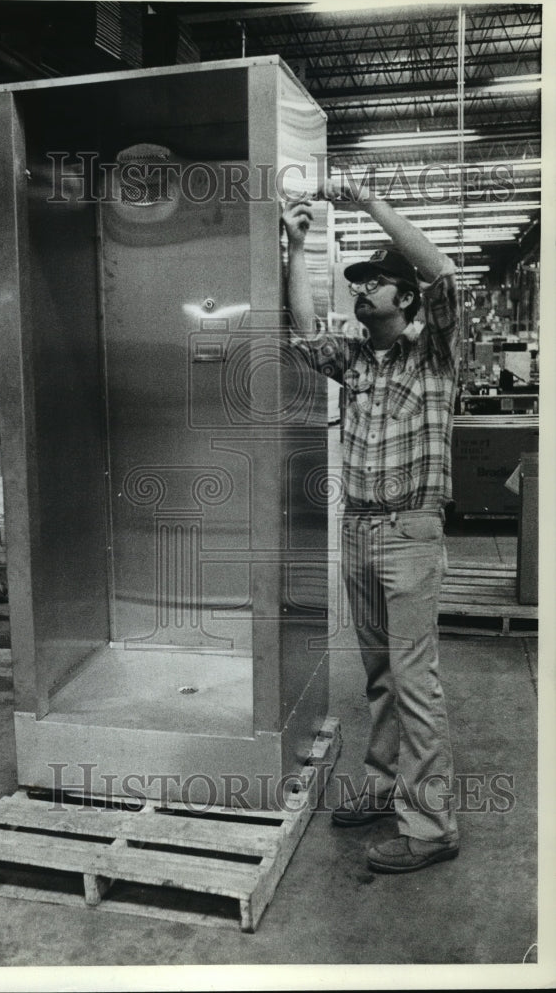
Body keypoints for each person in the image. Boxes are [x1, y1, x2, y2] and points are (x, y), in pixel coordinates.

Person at [282, 180, 460, 874]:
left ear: (407, 300)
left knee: (415, 682)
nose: (361, 291)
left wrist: (368, 204)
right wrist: (297, 246)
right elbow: (305, 333)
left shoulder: (435, 352)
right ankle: (386, 786)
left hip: (409, 532)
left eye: (376, 283)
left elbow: (443, 273)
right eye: (357, 283)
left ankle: (432, 825)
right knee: (381, 674)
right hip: (357, 528)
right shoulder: (355, 358)